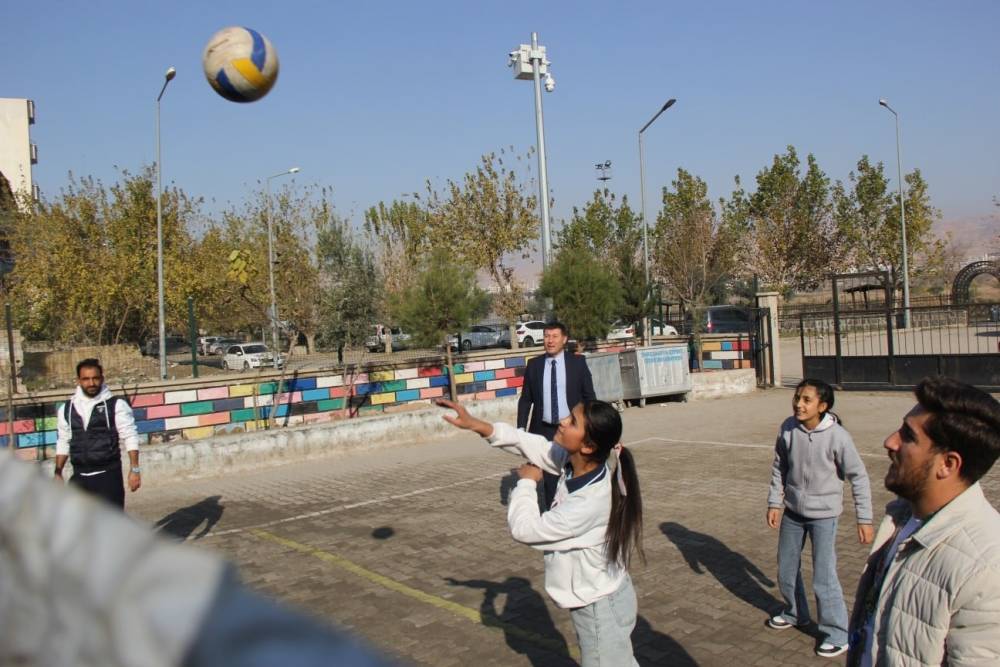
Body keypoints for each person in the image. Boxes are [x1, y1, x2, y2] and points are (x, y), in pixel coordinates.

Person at [438, 396, 644, 666]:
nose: (562, 421)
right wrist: (477, 425)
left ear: (588, 446)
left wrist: (526, 483)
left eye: (572, 422)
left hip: (599, 607)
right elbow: (531, 444)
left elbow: (525, 529)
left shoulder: (589, 503)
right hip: (602, 597)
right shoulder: (578, 465)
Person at [847, 376, 1000, 667]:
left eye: (908, 436)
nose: (889, 442)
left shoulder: (986, 570)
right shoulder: (902, 516)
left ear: (948, 464)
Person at [765, 379, 873, 659]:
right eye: (797, 397)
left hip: (824, 516)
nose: (799, 404)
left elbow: (859, 477)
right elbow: (780, 466)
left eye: (807, 400)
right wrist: (775, 502)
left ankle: (837, 633)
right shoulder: (788, 428)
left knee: (824, 576)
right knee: (787, 568)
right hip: (792, 512)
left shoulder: (838, 437)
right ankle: (794, 613)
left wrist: (865, 519)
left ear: (822, 406)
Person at [517, 321, 596, 509]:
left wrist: (591, 425)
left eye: (554, 336)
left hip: (571, 430)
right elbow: (526, 399)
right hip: (543, 430)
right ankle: (552, 515)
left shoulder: (577, 363)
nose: (550, 341)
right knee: (550, 479)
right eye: (546, 336)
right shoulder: (534, 365)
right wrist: (520, 429)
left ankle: (576, 512)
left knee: (575, 473)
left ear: (564, 339)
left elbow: (589, 397)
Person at [54, 358, 141, 508]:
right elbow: (63, 441)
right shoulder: (66, 409)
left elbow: (130, 436)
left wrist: (135, 469)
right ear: (79, 381)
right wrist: (58, 472)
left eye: (95, 378)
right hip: (79, 476)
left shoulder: (116, 405)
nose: (91, 383)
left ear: (102, 379)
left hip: (108, 475)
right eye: (86, 379)